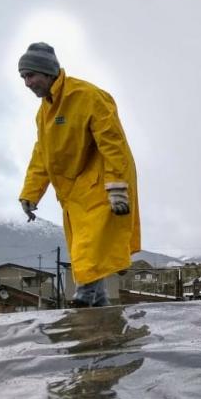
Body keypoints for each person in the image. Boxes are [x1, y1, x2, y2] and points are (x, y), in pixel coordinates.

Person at [17, 42, 141, 307]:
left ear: (48, 72)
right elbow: (42, 156)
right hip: (74, 191)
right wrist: (30, 193)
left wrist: (117, 186)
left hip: (102, 181)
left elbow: (113, 143)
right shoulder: (44, 114)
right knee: (85, 250)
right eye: (23, 77)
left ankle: (85, 296)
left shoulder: (88, 96)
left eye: (30, 75)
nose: (27, 83)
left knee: (89, 247)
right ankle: (98, 303)